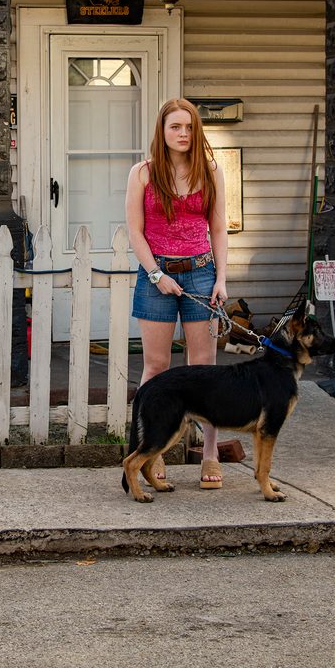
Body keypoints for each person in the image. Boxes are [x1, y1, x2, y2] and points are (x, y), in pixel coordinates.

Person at [125, 97, 228, 488]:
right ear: (162, 131)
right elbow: (136, 231)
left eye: (189, 127)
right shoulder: (144, 173)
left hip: (201, 274)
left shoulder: (211, 171)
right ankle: (152, 450)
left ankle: (210, 453)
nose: (183, 134)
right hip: (157, 276)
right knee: (156, 368)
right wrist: (155, 274)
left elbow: (218, 229)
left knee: (205, 370)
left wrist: (220, 279)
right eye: (175, 127)